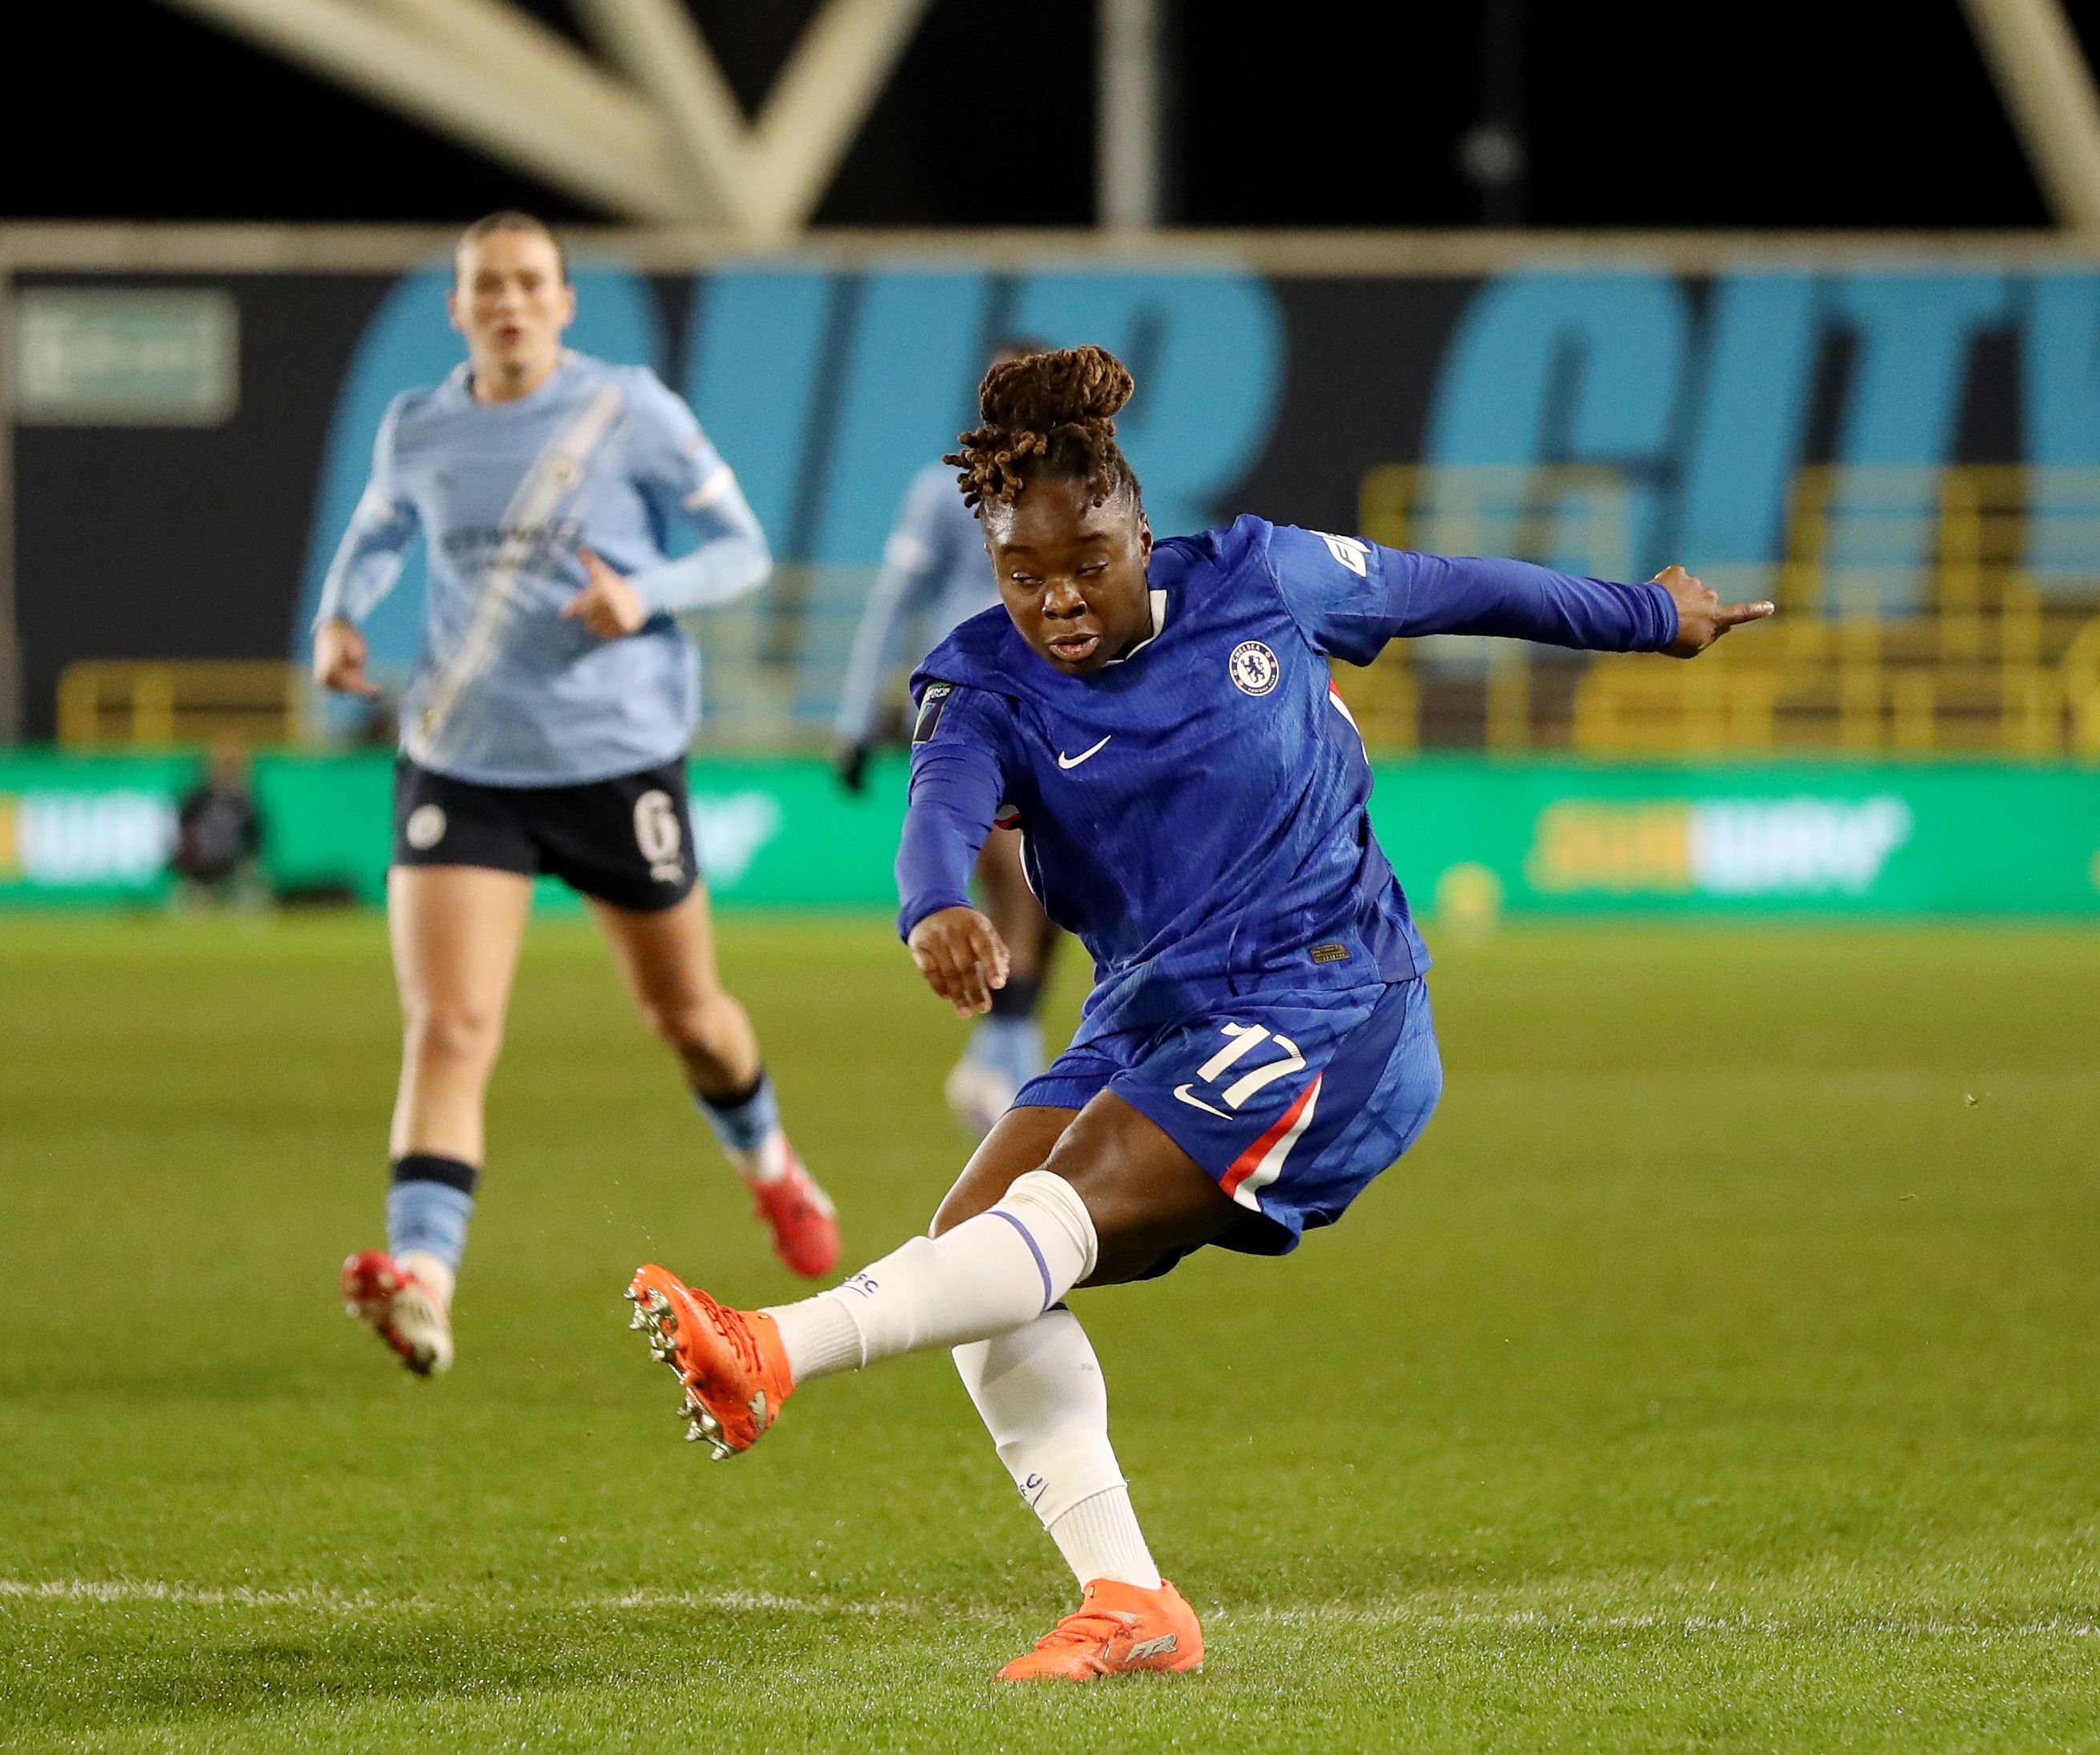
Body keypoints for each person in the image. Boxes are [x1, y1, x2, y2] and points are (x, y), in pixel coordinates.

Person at [623, 345, 1770, 1681]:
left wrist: (1645, 614)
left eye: (1086, 564)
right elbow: (938, 805)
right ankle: (1129, 1602)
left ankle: (773, 1350)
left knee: (1037, 1229)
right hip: (1150, 1012)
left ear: (1140, 532)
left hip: (1335, 1007)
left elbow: (1456, 588)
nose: (1056, 600)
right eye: (1022, 576)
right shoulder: (982, 678)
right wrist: (935, 906)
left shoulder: (1261, 582)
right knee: (976, 1269)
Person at [313, 211, 841, 1378]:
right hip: (464, 762)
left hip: (615, 760)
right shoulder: (419, 427)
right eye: (485, 286)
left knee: (686, 1020)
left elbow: (739, 549)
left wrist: (644, 595)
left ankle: (772, 1171)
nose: (507, 302)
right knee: (449, 1028)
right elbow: (374, 531)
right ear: (456, 308)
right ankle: (424, 1284)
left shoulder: (627, 410)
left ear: (562, 304)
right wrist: (340, 614)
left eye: (529, 284)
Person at [834, 341, 1066, 1136]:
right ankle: (1011, 1052)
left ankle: (1001, 1053)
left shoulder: (1077, 490)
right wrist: (853, 717)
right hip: (968, 703)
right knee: (1007, 864)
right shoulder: (944, 492)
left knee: (1053, 882)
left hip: (1057, 702)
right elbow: (892, 602)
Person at [173, 734, 268, 909]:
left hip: (232, 862)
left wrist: (245, 858)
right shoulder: (199, 798)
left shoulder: (244, 801)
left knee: (252, 880)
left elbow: (255, 839)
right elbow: (182, 830)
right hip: (201, 863)